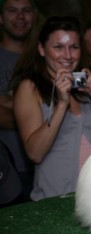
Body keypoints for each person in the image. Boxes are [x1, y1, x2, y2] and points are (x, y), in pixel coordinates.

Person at [9, 16, 91, 201]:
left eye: (74, 47)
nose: (68, 56)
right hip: (53, 200)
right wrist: (61, 104)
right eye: (58, 47)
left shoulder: (83, 84)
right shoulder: (30, 87)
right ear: (41, 49)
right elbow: (35, 153)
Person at [0, 0, 36, 205]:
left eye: (26, 10)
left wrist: (10, 102)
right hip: (7, 171)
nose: (20, 17)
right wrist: (35, 111)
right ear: (1, 17)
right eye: (12, 10)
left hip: (44, 169)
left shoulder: (44, 55)